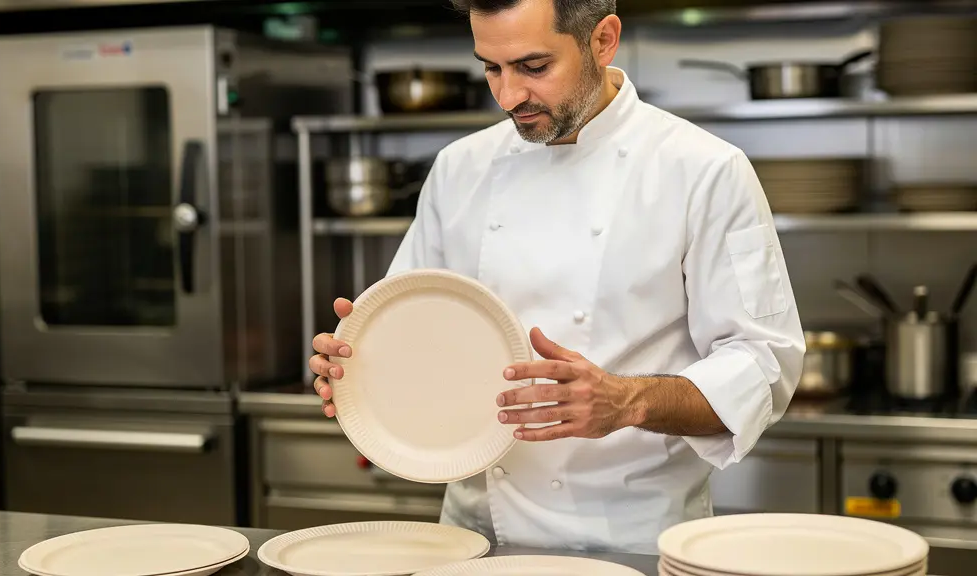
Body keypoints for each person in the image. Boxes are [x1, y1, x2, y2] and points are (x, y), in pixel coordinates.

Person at [309, 0, 805, 555]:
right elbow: (417, 336)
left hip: (632, 539)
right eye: (492, 68)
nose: (508, 96)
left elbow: (764, 365)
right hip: (473, 537)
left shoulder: (704, 170)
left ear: (603, 39)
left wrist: (628, 400)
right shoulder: (459, 168)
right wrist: (359, 366)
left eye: (534, 67)